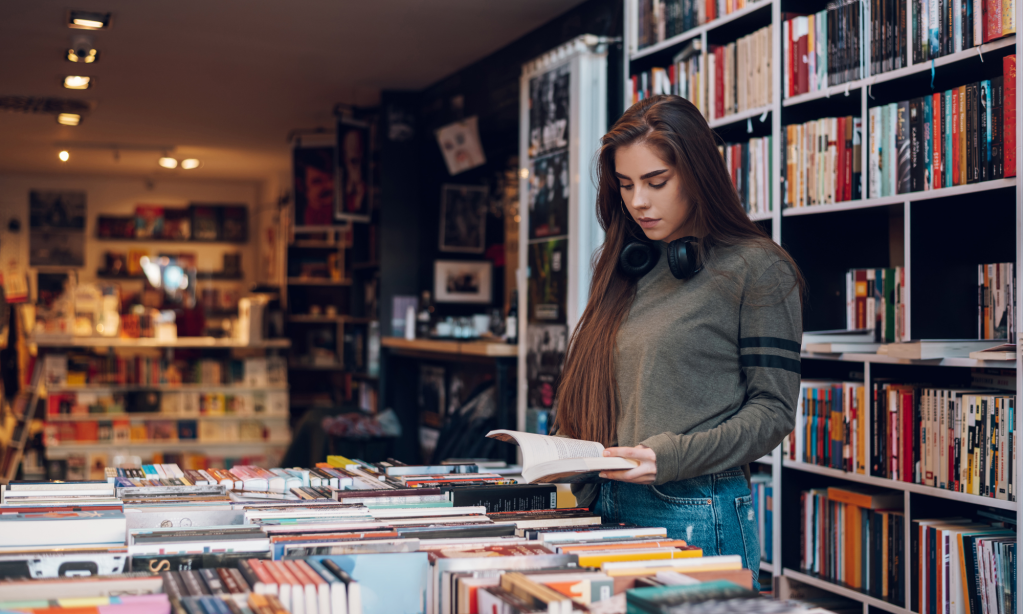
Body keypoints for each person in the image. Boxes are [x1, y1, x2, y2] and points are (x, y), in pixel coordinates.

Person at [553, 95, 803, 591]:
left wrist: (668, 457)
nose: (638, 202)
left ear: (697, 174)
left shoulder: (758, 267)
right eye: (626, 185)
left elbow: (774, 412)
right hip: (601, 502)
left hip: (692, 507)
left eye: (656, 181)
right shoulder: (628, 265)